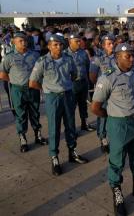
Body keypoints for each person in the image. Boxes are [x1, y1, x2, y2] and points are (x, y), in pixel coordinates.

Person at [91, 43, 134, 216]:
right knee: (117, 160)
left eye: (133, 55)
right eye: (128, 56)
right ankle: (117, 193)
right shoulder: (107, 78)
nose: (132, 58)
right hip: (119, 124)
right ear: (117, 57)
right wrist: (112, 116)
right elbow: (96, 107)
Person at [29, 34, 88, 176]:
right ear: (49, 46)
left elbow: (73, 75)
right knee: (54, 128)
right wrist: (47, 88)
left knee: (70, 125)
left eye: (60, 44)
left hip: (68, 95)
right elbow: (32, 82)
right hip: (53, 98)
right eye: (55, 45)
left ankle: (72, 152)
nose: (58, 47)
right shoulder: (42, 61)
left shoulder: (68, 59)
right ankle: (54, 157)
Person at [0, 31, 48, 152]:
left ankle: (38, 135)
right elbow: (3, 74)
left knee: (35, 112)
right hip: (18, 90)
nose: (24, 43)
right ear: (14, 42)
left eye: (25, 40)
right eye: (20, 41)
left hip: (32, 89)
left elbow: (41, 71)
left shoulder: (35, 55)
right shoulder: (9, 57)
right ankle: (23, 138)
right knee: (20, 114)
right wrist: (15, 81)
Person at [89, 34, 115, 153]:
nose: (112, 45)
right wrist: (101, 87)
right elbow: (93, 76)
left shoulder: (117, 57)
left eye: (113, 43)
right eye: (109, 43)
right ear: (103, 45)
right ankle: (103, 137)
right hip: (103, 92)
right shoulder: (98, 58)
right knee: (102, 115)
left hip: (115, 92)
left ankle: (112, 135)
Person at [66, 34, 95, 132]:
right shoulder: (65, 54)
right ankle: (71, 128)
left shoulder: (83, 53)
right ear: (70, 42)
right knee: (71, 107)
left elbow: (87, 67)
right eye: (76, 41)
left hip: (83, 82)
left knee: (83, 104)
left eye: (79, 41)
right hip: (71, 84)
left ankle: (85, 123)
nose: (79, 43)